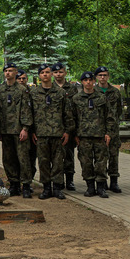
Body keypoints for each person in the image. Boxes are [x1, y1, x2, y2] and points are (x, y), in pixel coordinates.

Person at [30, 63, 75, 200]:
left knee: (58, 162)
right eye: (42, 72)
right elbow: (29, 113)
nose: (45, 74)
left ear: (51, 74)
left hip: (58, 133)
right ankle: (46, 188)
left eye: (47, 72)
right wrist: (32, 131)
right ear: (39, 76)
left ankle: (57, 188)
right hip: (41, 134)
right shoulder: (34, 93)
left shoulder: (61, 93)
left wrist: (67, 131)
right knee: (43, 162)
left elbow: (67, 114)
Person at [72, 71, 115, 197]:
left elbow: (110, 117)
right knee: (86, 163)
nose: (88, 82)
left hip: (100, 136)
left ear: (94, 81)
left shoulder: (102, 98)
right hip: (83, 136)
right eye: (86, 80)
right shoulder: (76, 99)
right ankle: (90, 186)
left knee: (101, 163)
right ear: (82, 82)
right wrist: (75, 134)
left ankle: (101, 187)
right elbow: (72, 118)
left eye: (90, 80)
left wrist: (108, 133)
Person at [0, 62, 34, 197]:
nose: (8, 73)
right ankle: (14, 184)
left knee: (23, 158)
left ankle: (26, 186)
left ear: (16, 72)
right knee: (8, 159)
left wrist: (25, 128)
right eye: (6, 71)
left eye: (11, 71)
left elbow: (26, 110)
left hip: (19, 130)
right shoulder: (0, 90)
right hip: (5, 130)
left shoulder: (22, 90)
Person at [95, 66, 123, 193]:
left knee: (113, 156)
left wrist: (112, 127)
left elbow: (119, 110)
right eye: (100, 75)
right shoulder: (93, 91)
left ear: (108, 76)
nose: (102, 77)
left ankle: (114, 182)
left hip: (113, 130)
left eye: (105, 75)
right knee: (100, 156)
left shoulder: (115, 92)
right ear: (96, 77)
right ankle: (102, 181)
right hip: (98, 129)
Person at [53, 62, 80, 191]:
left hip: (69, 127)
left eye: (61, 72)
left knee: (69, 155)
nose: (58, 74)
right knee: (55, 156)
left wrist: (73, 129)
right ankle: (57, 181)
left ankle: (69, 180)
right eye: (56, 72)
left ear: (65, 73)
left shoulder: (72, 89)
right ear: (53, 74)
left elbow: (76, 109)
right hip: (53, 127)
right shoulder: (49, 87)